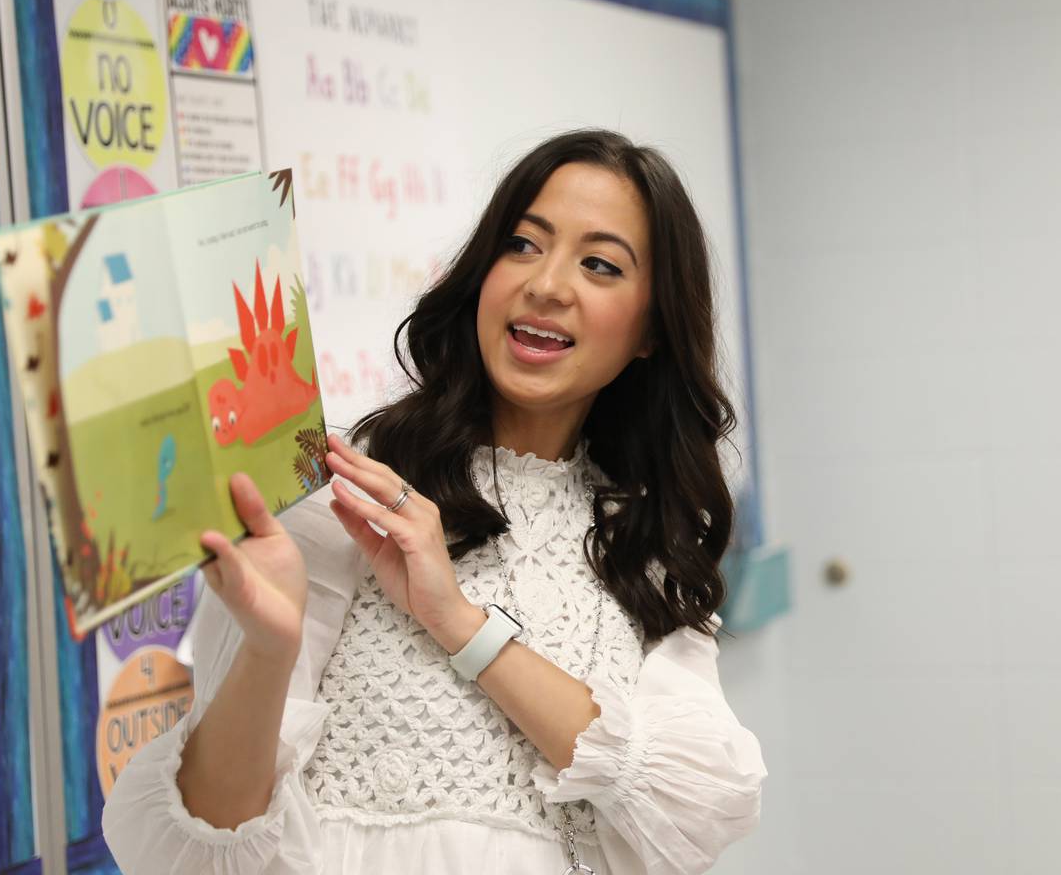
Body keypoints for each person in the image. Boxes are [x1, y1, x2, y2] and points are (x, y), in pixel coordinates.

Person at [100, 129, 766, 874]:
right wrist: (267, 646)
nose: (547, 284)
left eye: (600, 265)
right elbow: (205, 842)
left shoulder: (649, 545)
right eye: (522, 245)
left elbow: (687, 813)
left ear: (650, 330)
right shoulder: (344, 490)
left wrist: (457, 622)